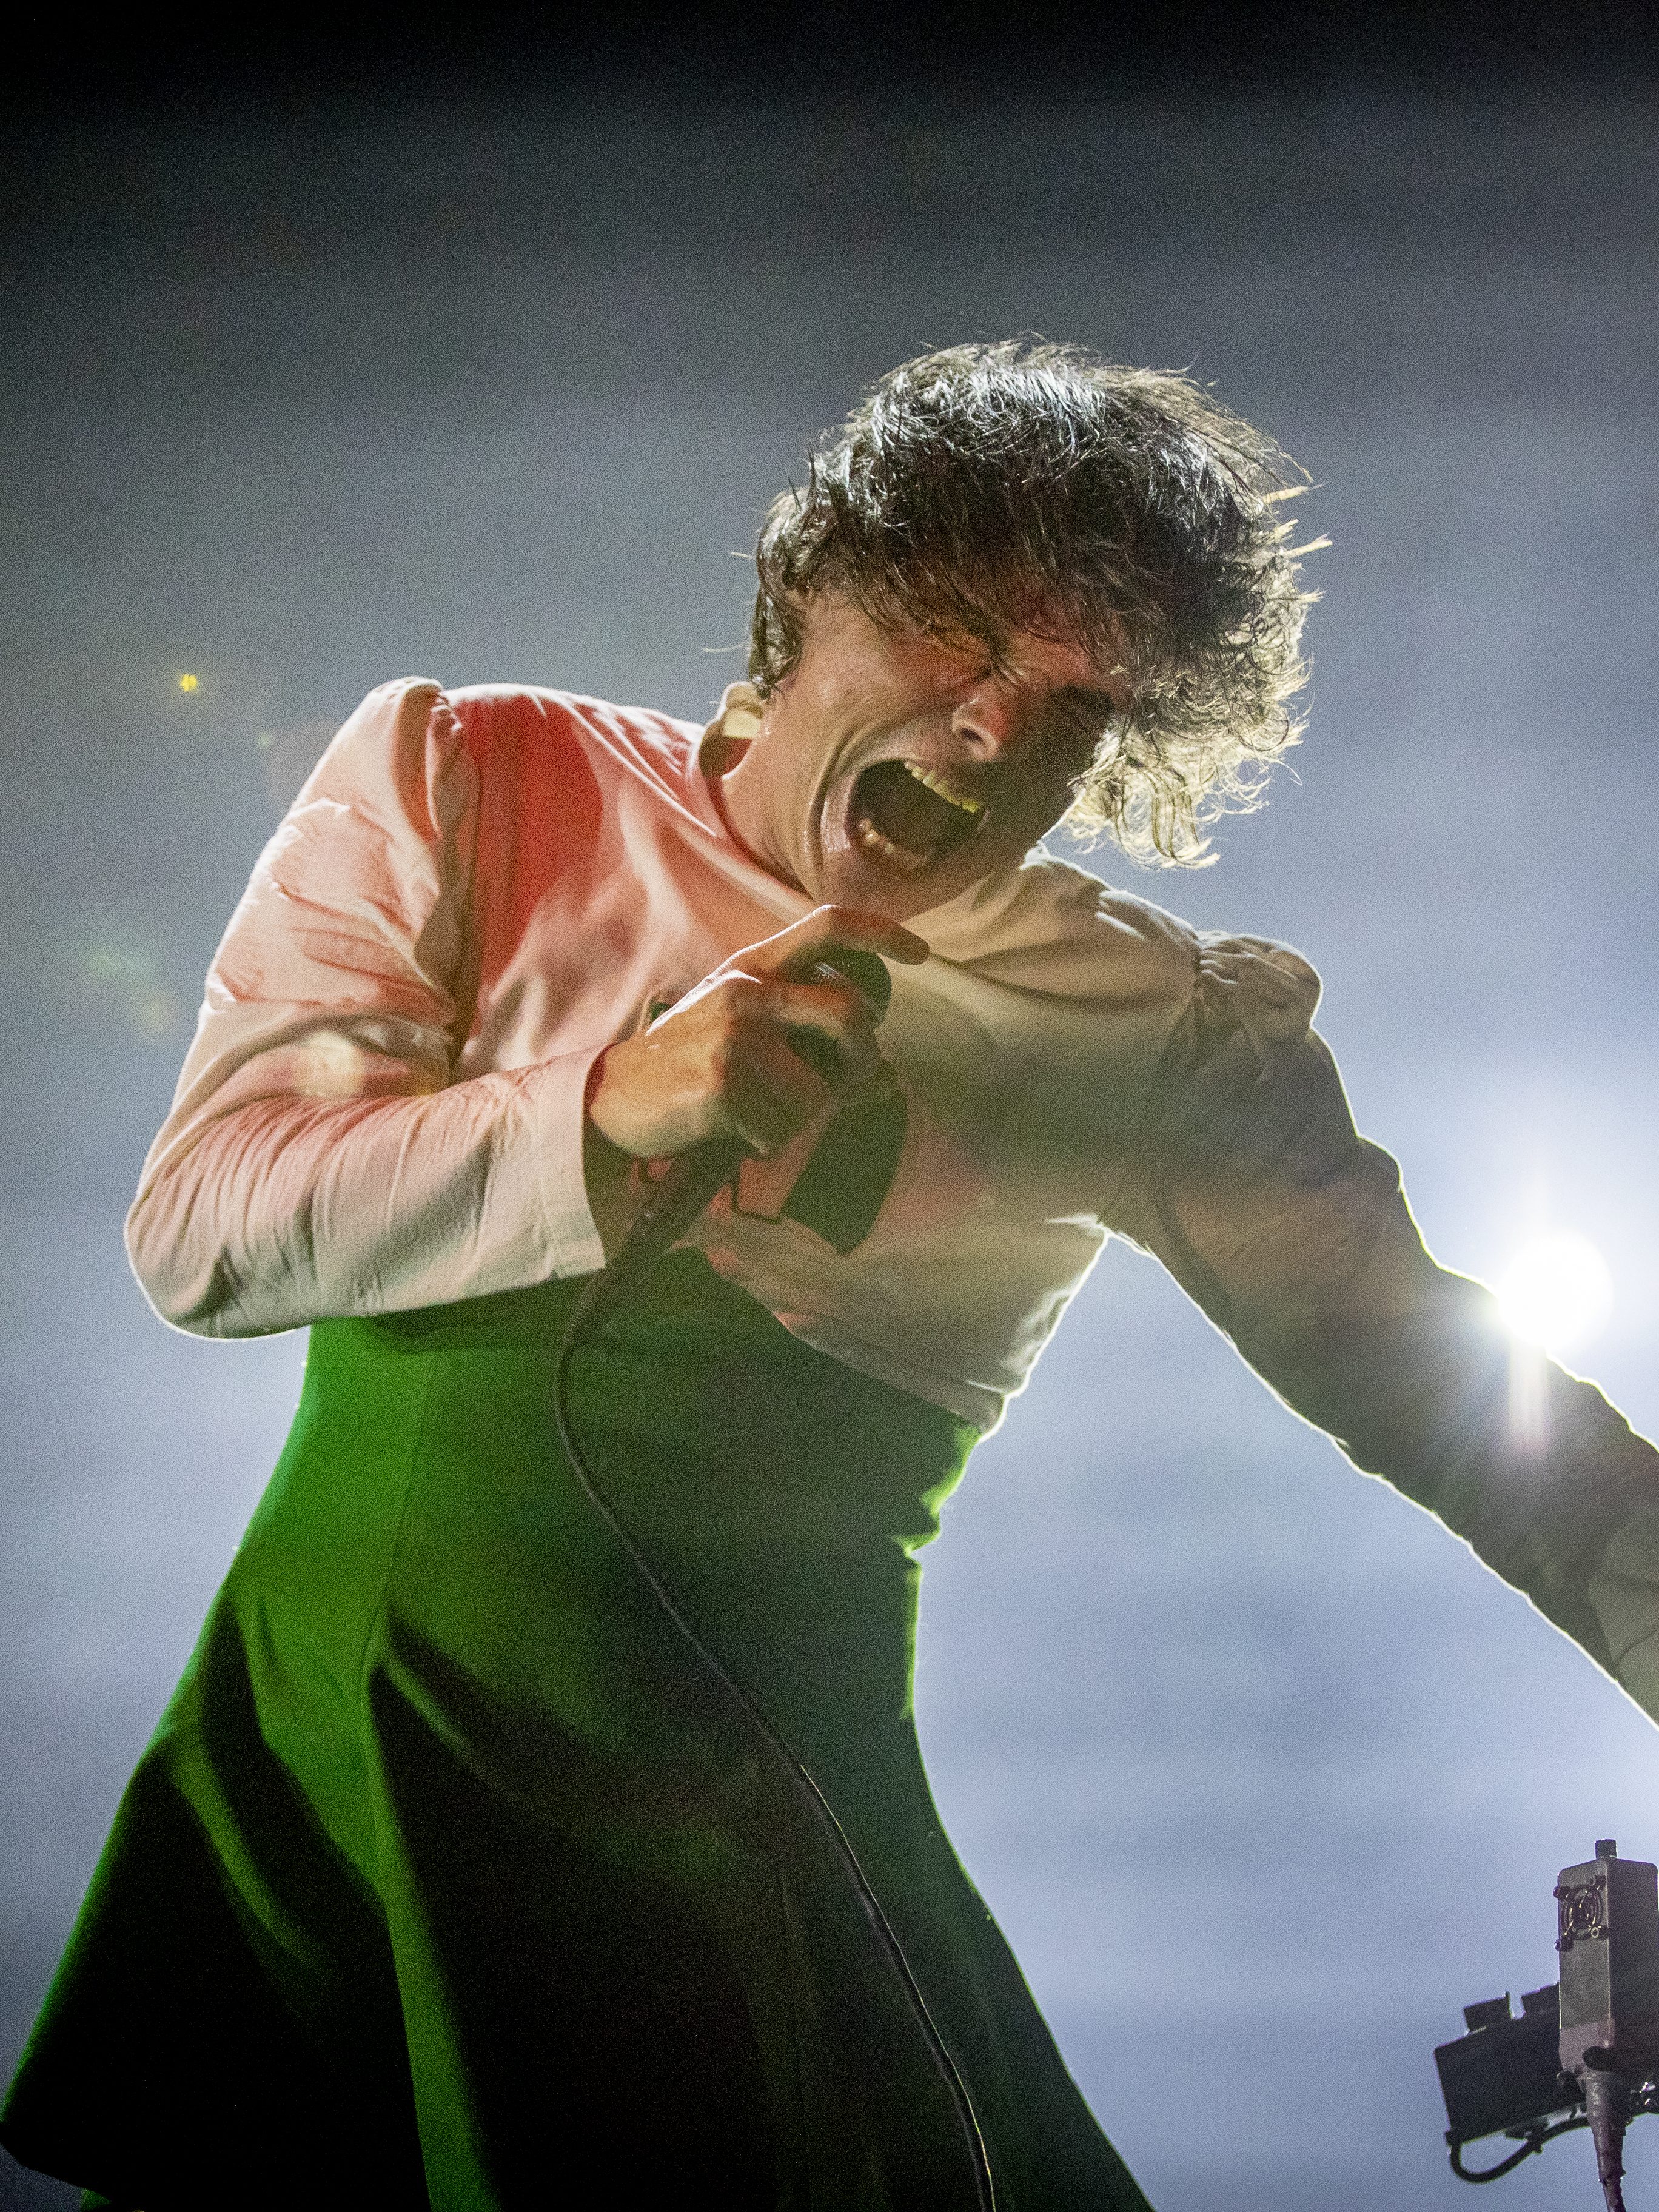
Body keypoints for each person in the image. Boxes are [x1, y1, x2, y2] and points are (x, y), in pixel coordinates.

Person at [5, 341, 1657, 2212]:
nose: (988, 730)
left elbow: (1497, 1437)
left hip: (740, 1855)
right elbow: (204, 1228)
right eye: (956, 634)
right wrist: (604, 1103)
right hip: (347, 1781)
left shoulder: (1151, 1029)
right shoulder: (472, 778)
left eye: (1071, 702)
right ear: (805, 594)